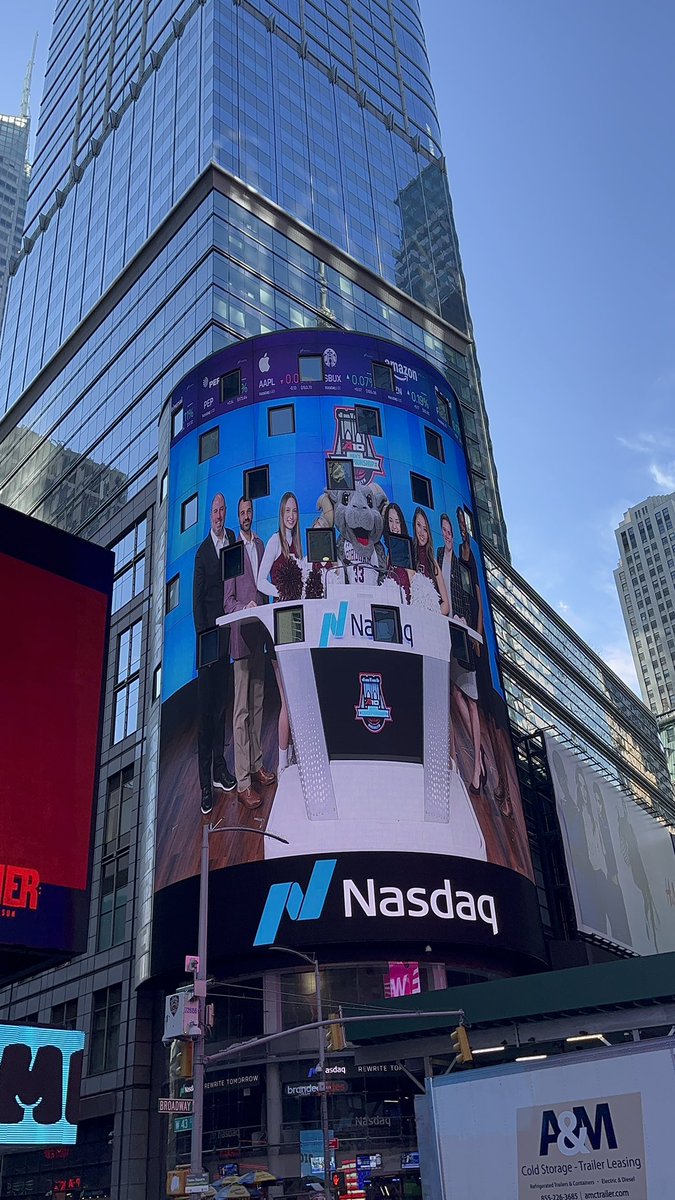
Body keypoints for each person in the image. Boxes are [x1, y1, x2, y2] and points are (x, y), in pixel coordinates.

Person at [223, 498, 276, 810]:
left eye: (248, 512)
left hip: (260, 635)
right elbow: (228, 602)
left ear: (253, 514)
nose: (245, 516)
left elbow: (264, 586)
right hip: (241, 637)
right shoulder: (231, 553)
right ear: (237, 516)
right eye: (241, 513)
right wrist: (246, 608)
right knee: (241, 711)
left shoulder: (259, 543)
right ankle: (243, 782)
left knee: (257, 704)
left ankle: (256, 764)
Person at [192, 492, 237, 816]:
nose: (219, 515)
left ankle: (220, 770)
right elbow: (196, 602)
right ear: (210, 516)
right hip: (208, 639)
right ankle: (205, 783)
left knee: (222, 708)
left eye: (222, 510)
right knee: (205, 715)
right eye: (215, 511)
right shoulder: (201, 554)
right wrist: (204, 638)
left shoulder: (232, 539)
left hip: (227, 637)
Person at [257, 491, 303, 772]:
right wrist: (282, 592)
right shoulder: (275, 541)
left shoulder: (297, 545)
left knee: (297, 696)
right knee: (287, 699)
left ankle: (295, 757)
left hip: (297, 624)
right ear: (281, 512)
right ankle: (283, 764)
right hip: (279, 625)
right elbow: (261, 581)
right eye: (287, 509)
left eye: (295, 510)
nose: (291, 515)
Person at [439, 513, 482, 793]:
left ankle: (477, 766)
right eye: (443, 530)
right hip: (446, 633)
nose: (448, 535)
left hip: (464, 634)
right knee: (456, 693)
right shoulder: (440, 556)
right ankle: (475, 755)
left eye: (450, 530)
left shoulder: (461, 562)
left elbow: (472, 596)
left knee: (471, 698)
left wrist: (474, 628)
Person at [411, 506, 449, 615]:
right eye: (419, 525)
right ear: (414, 526)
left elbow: (446, 604)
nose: (422, 533)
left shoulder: (433, 562)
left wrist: (433, 616)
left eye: (425, 529)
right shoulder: (408, 553)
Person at [383, 501, 413, 601]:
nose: (394, 526)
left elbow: (414, 584)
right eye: (390, 521)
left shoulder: (407, 549)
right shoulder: (389, 553)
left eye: (397, 521)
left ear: (402, 523)